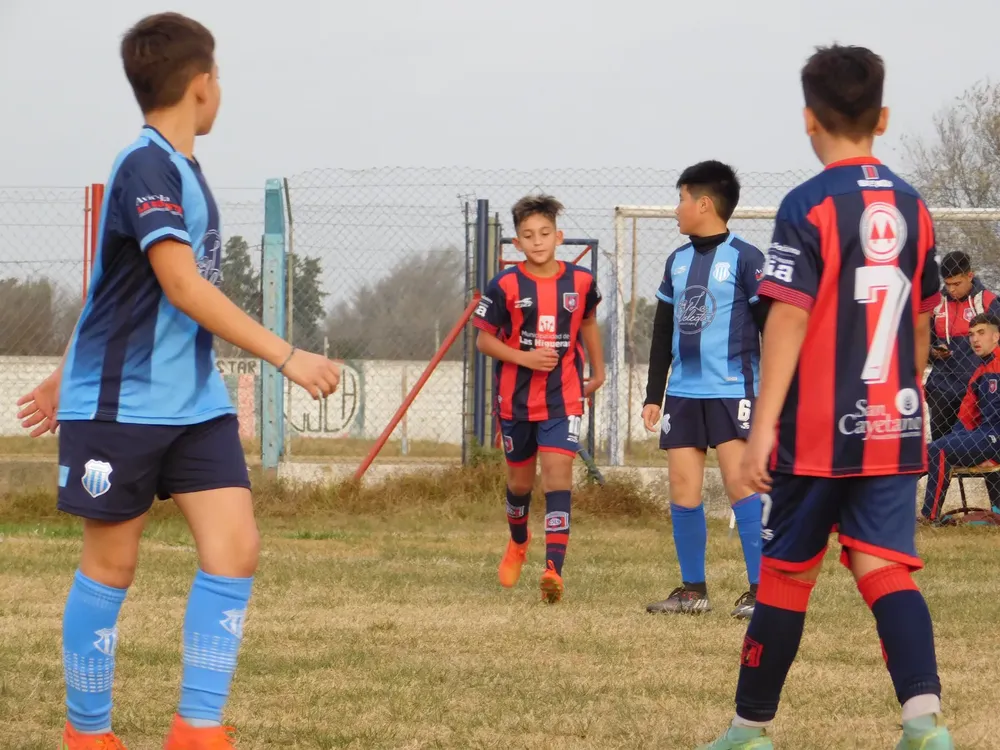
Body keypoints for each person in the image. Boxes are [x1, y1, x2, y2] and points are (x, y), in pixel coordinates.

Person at [15, 13, 342, 749]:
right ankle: (87, 733)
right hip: (122, 409)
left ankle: (196, 729)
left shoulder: (183, 171)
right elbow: (180, 286)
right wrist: (287, 356)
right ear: (201, 85)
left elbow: (112, 286)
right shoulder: (146, 166)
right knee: (112, 563)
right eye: (218, 76)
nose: (220, 88)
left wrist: (62, 370)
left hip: (195, 405)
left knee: (235, 548)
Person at [697, 45, 954, 750]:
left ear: (808, 121)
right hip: (894, 423)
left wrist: (761, 429)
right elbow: (925, 322)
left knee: (783, 575)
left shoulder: (807, 206)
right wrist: (905, 394)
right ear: (885, 117)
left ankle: (749, 730)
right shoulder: (914, 205)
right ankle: (924, 722)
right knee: (885, 568)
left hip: (818, 430)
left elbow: (788, 317)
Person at [641, 161, 767, 620]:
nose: (676, 210)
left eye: (680, 199)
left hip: (733, 390)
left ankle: (761, 591)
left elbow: (771, 327)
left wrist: (775, 394)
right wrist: (655, 393)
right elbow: (661, 331)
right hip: (684, 392)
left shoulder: (746, 258)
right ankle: (693, 590)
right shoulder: (676, 262)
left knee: (740, 485)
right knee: (682, 487)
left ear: (704, 204)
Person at [472, 194, 605, 604]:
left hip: (563, 398)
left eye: (545, 233)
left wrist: (598, 373)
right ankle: (517, 542)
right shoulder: (505, 285)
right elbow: (483, 340)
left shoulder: (580, 281)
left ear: (558, 236)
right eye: (528, 235)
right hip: (515, 402)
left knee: (558, 478)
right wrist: (524, 356)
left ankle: (553, 571)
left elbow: (587, 324)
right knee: (520, 484)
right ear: (517, 243)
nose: (537, 241)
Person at [922, 313, 1000, 521]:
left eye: (981, 333)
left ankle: (929, 517)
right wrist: (958, 441)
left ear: (996, 336)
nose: (975, 339)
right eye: (971, 334)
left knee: (939, 450)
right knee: (929, 451)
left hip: (996, 438)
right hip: (985, 436)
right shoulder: (979, 372)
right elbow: (966, 417)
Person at [925, 250, 1000, 441]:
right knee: (942, 445)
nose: (952, 290)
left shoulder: (988, 302)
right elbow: (923, 343)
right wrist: (933, 353)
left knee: (982, 445)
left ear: (970, 276)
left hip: (980, 384)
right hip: (944, 386)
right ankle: (943, 467)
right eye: (948, 284)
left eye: (957, 284)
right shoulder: (936, 305)